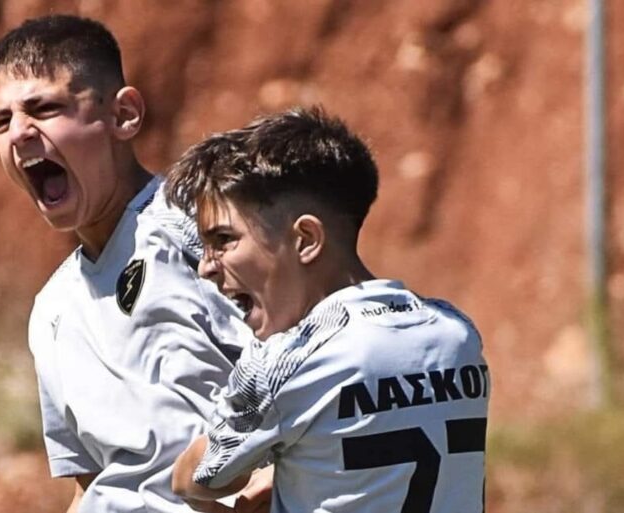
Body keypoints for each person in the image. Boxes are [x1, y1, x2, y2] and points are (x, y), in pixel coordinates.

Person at [0, 14, 262, 513]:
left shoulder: (199, 233)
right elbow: (91, 483)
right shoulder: (52, 310)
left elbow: (322, 380)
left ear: (124, 115)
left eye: (44, 108)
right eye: (1, 122)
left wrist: (269, 484)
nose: (18, 133)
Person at [166, 107, 490, 513]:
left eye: (223, 239)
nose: (206, 267)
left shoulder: (287, 361)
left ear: (306, 239)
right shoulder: (457, 333)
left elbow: (196, 478)